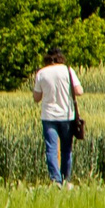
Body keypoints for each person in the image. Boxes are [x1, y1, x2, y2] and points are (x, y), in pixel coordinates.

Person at [32, 46, 85, 185]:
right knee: (66, 149)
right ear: (61, 57)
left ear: (47, 58)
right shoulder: (68, 70)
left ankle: (55, 181)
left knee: (51, 149)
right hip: (67, 116)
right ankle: (65, 179)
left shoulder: (41, 73)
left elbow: (36, 98)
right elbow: (79, 91)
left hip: (48, 116)